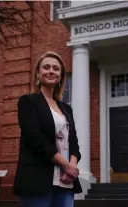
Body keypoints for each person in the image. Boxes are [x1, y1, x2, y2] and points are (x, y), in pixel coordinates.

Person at [13, 51, 82, 207]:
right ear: (38, 73)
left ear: (60, 76)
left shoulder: (66, 108)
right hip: (37, 179)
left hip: (66, 180)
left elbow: (74, 143)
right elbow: (35, 138)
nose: (51, 71)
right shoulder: (28, 101)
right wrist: (65, 165)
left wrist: (71, 167)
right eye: (46, 67)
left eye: (56, 69)